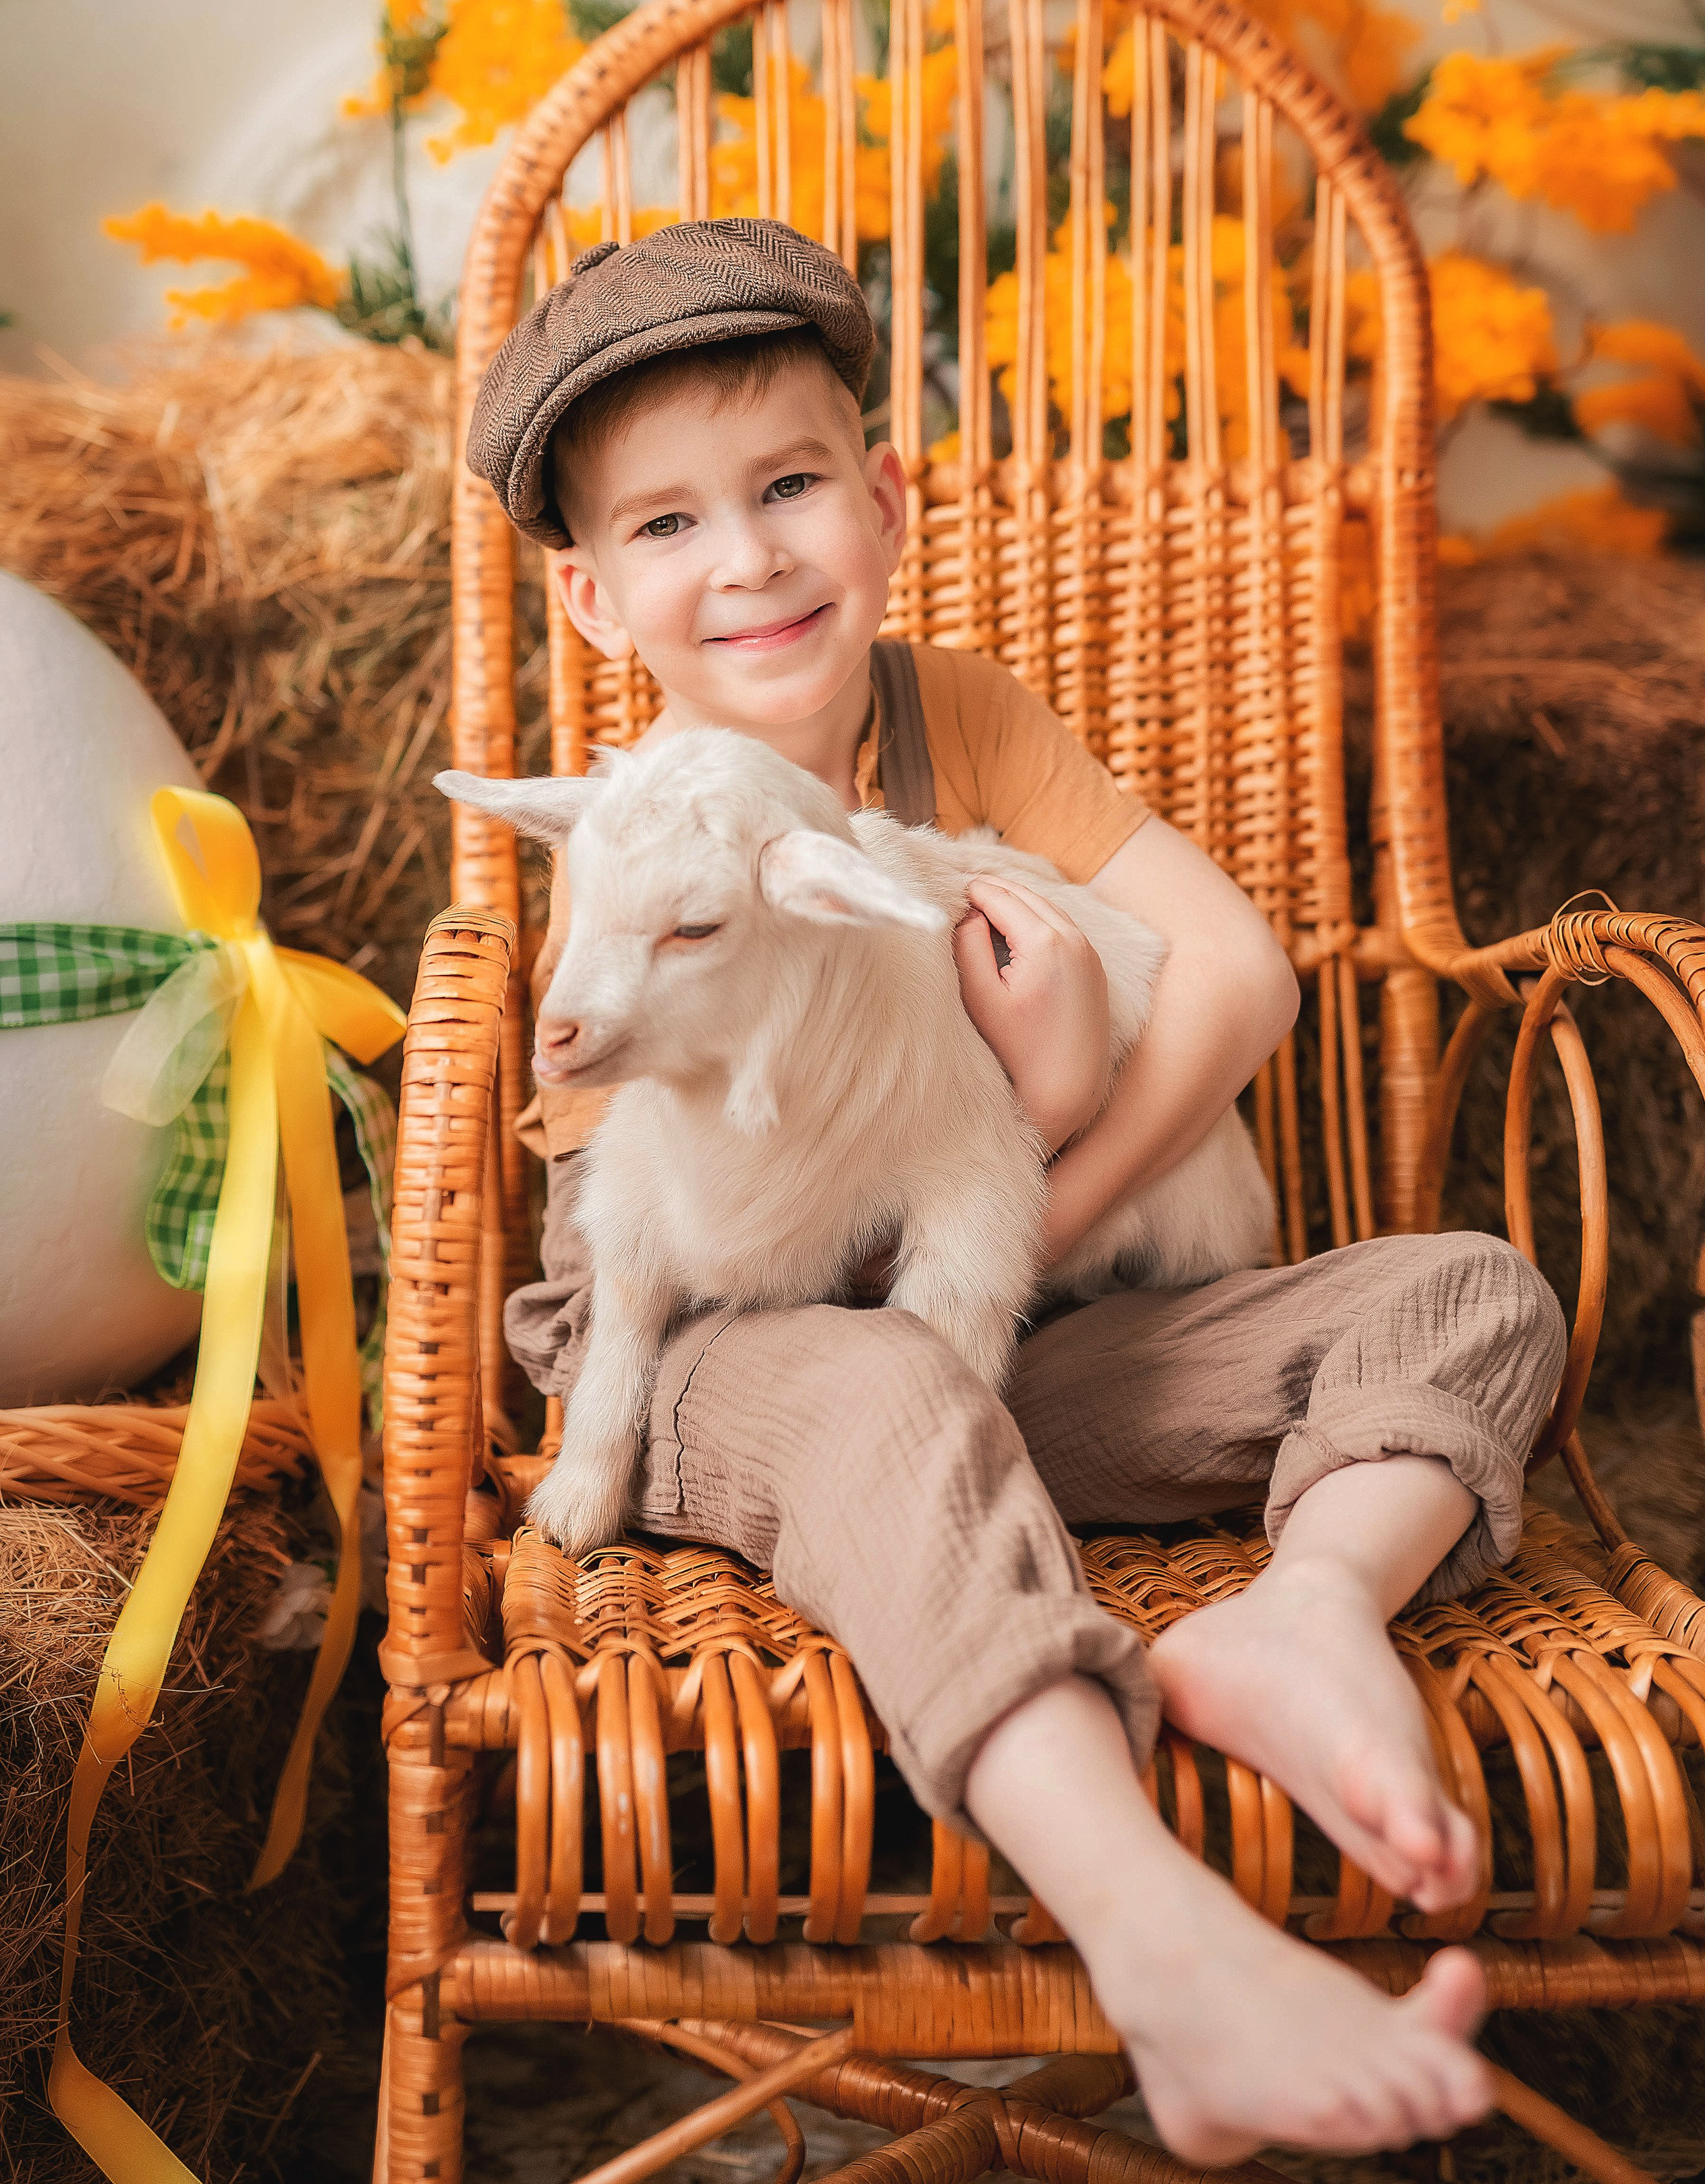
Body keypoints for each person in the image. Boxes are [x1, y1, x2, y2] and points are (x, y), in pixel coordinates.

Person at [467, 217, 1565, 2164]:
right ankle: (1156, 1933)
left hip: (1012, 1308)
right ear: (585, 593)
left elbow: (1239, 977)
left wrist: (1049, 1159)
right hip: (728, 1332)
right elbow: (692, 1188)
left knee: (1471, 1290)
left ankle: (1307, 1610)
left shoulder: (960, 719)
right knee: (892, 1387)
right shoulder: (640, 822)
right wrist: (999, 1140)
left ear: (885, 500)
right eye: (665, 524)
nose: (748, 558)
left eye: (793, 483)